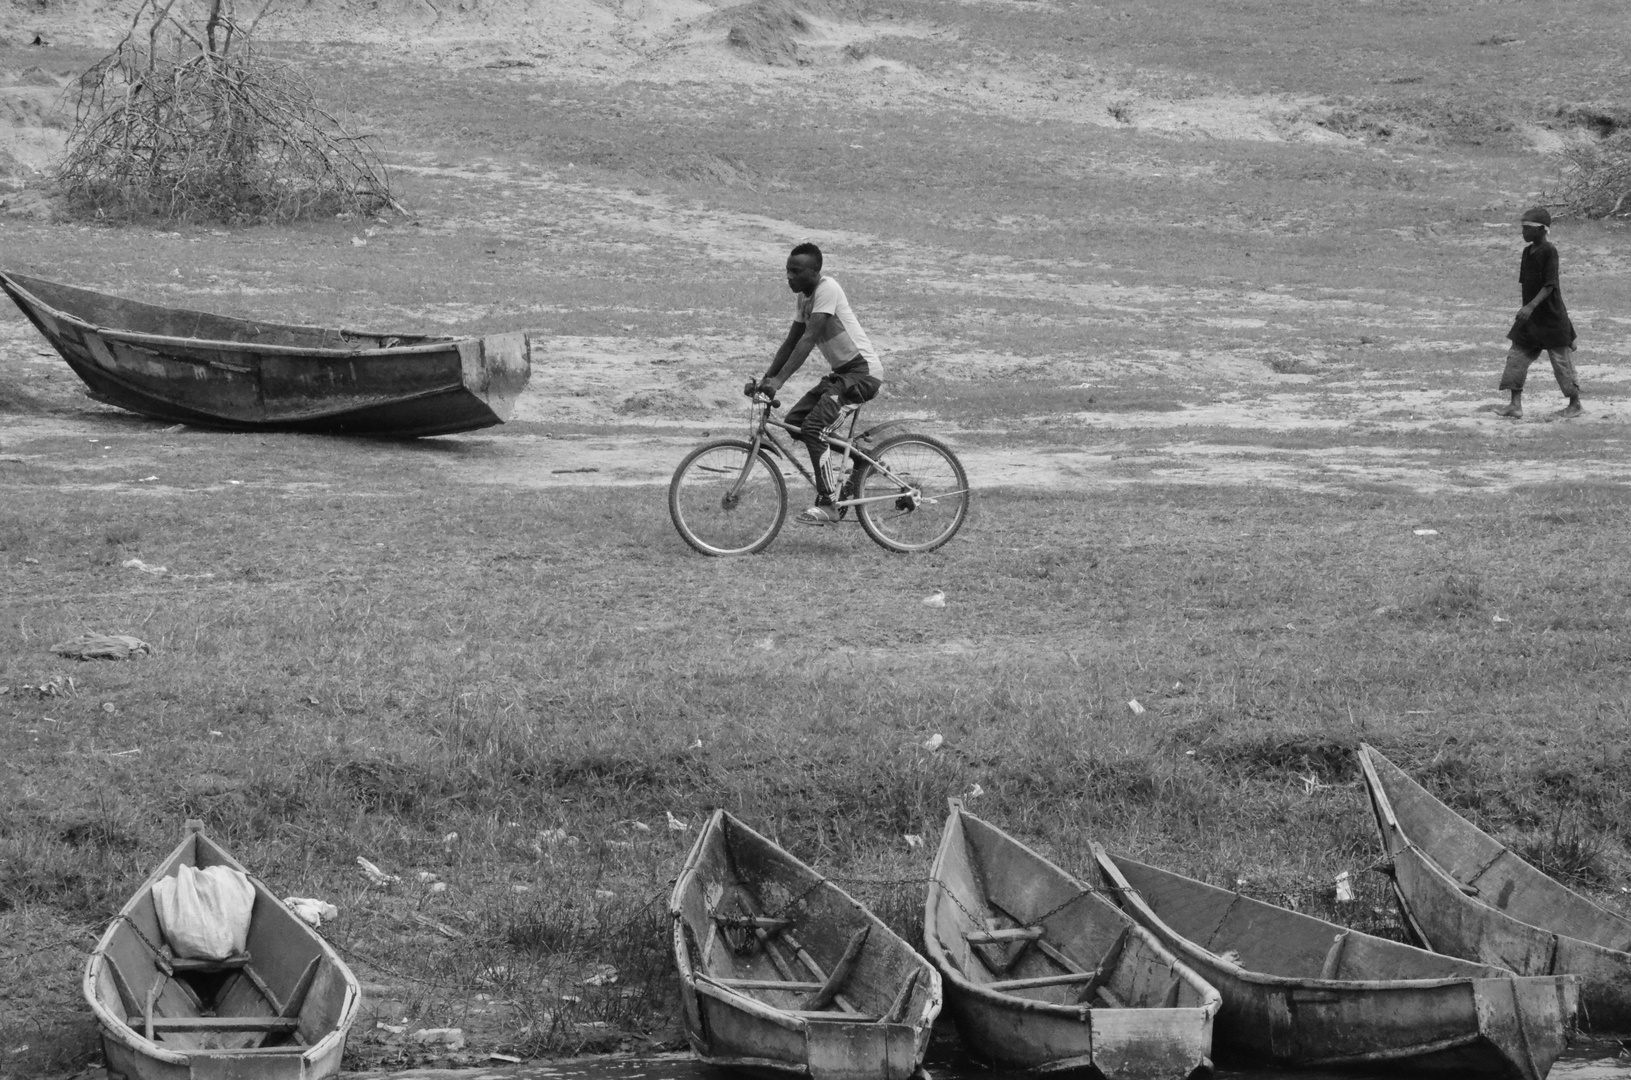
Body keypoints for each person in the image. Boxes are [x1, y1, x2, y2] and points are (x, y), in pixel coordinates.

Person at [753, 242, 883, 525]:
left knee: (814, 429)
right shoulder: (804, 297)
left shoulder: (828, 289)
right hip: (843, 374)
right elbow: (790, 343)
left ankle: (828, 504)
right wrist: (767, 379)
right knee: (797, 421)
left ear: (815, 271)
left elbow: (809, 339)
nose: (789, 277)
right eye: (787, 271)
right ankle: (863, 461)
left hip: (863, 374)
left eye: (795, 271)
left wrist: (780, 382)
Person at [1498, 206, 1581, 419]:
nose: (1523, 232)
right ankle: (1515, 405)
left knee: (1562, 364)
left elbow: (1550, 285)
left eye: (1527, 228)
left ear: (1542, 230)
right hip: (1530, 319)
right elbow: (1528, 284)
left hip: (1552, 318)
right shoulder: (1527, 252)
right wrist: (1528, 310)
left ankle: (1575, 404)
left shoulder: (1549, 251)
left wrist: (1530, 307)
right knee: (1516, 358)